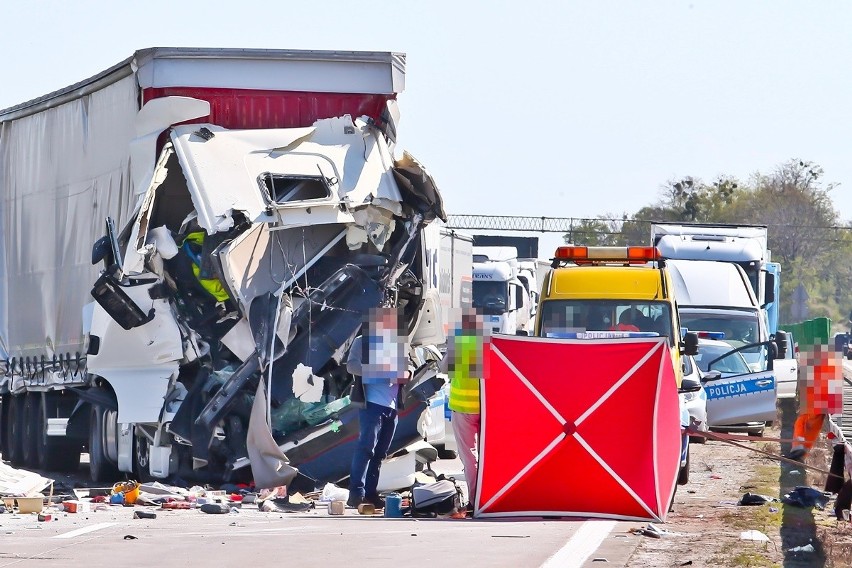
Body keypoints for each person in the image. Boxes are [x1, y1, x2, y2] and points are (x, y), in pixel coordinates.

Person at [347, 307, 411, 509]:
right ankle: (356, 494)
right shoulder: (362, 343)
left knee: (380, 453)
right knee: (366, 448)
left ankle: (371, 493)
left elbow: (408, 369)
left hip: (391, 408)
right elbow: (351, 366)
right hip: (372, 405)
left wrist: (406, 374)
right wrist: (382, 374)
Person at [441, 308, 487, 511]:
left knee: (469, 457)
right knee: (487, 455)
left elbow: (443, 369)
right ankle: (489, 498)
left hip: (462, 408)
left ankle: (474, 501)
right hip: (485, 409)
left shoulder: (458, 346)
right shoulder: (487, 346)